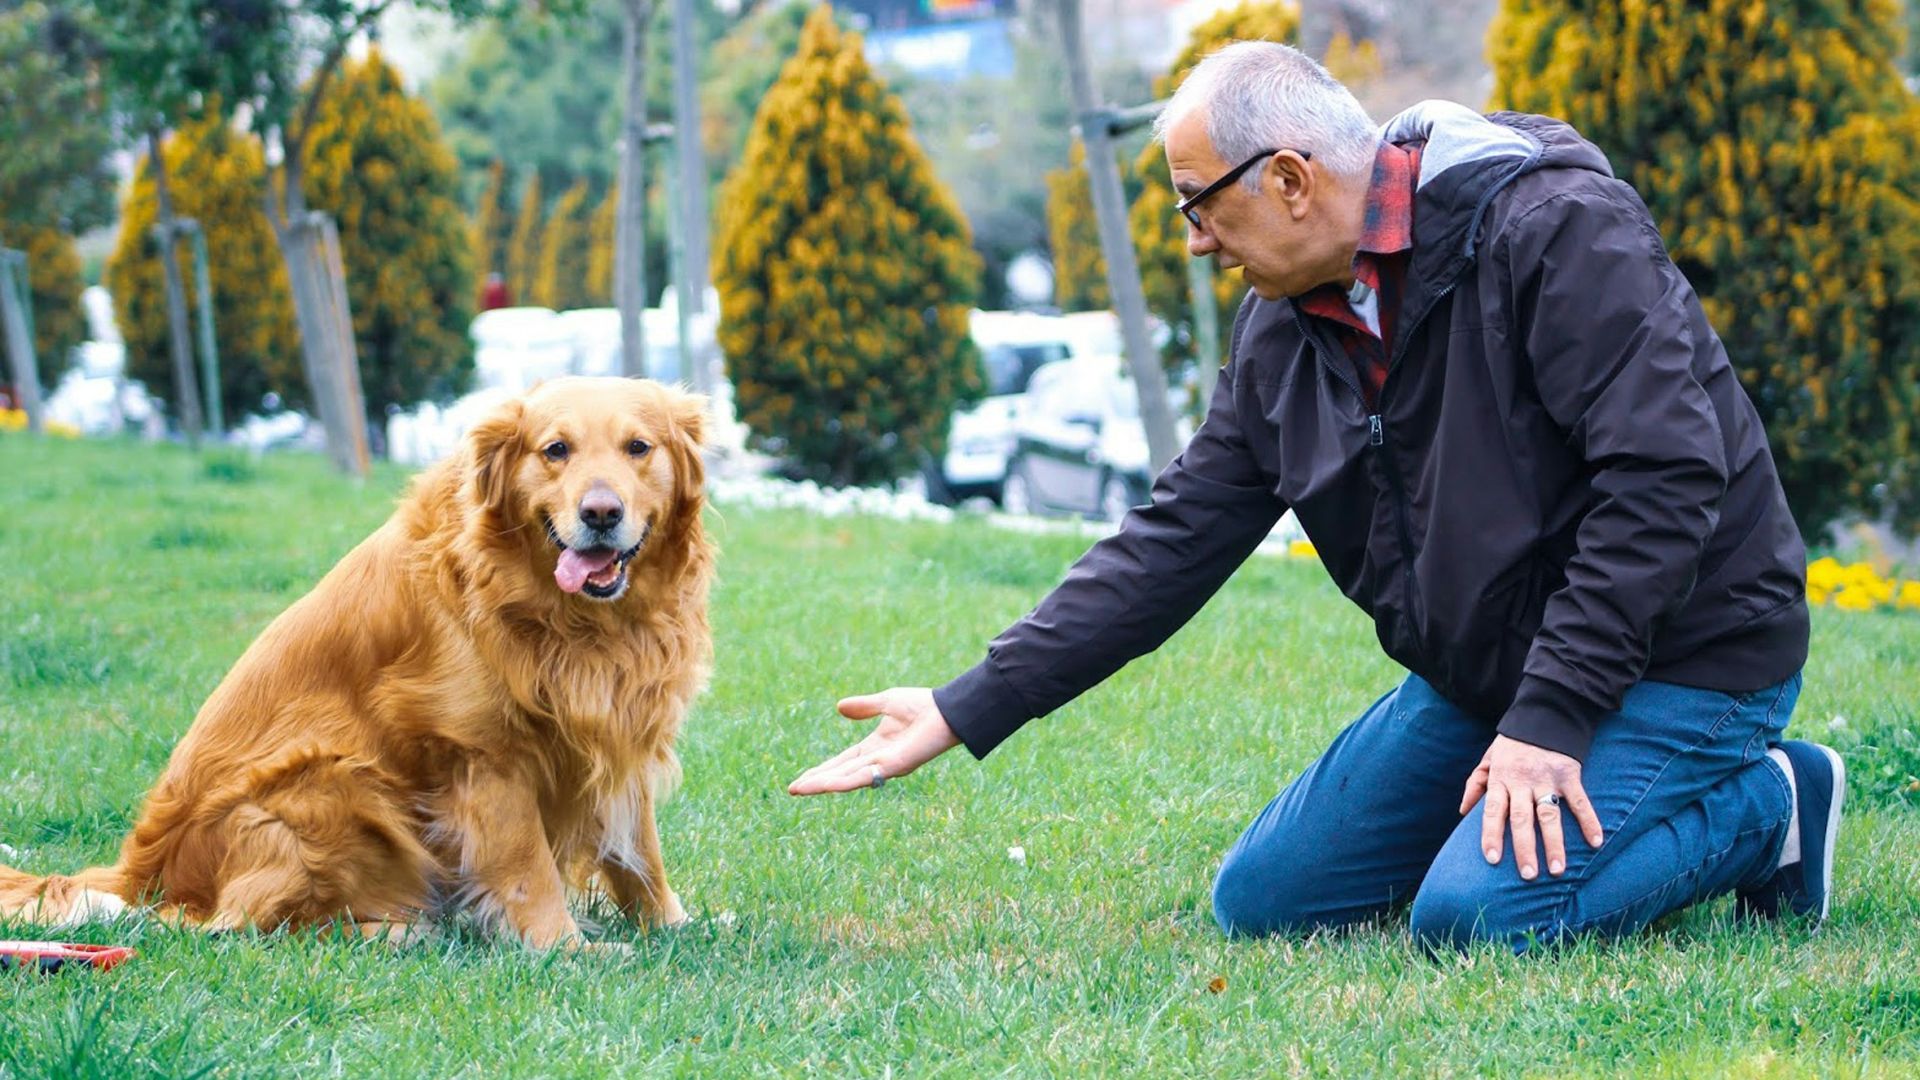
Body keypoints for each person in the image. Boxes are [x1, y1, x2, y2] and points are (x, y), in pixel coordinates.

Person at [788, 42, 1844, 952]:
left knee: (1477, 921)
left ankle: (1774, 804)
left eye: (1199, 205)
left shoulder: (1556, 228)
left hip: (1686, 657)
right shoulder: (1283, 329)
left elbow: (1664, 478)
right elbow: (1175, 541)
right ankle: (1549, 795)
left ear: (1290, 179)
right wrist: (967, 704)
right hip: (1488, 677)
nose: (1196, 242)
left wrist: (1551, 722)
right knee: (1264, 902)